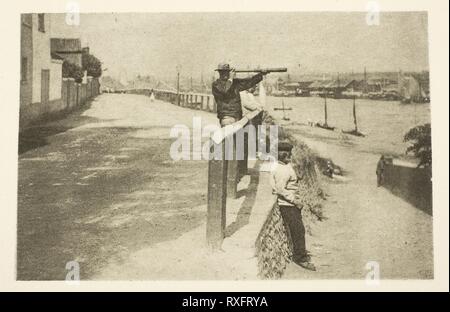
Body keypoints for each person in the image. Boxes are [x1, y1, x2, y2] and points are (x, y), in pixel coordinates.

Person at [270, 141, 316, 271]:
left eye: (288, 153)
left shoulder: (281, 166)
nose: (288, 156)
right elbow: (280, 189)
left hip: (290, 204)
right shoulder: (282, 170)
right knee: (298, 230)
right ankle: (299, 257)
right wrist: (295, 201)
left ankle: (300, 254)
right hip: (288, 205)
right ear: (282, 155)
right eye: (286, 154)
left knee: (298, 230)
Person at [212, 63, 267, 127]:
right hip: (226, 118)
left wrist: (260, 75)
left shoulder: (234, 83)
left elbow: (248, 82)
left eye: (226, 72)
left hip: (238, 117)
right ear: (219, 73)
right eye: (223, 72)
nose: (225, 74)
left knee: (238, 136)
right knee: (229, 136)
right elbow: (225, 91)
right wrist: (230, 79)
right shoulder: (216, 85)